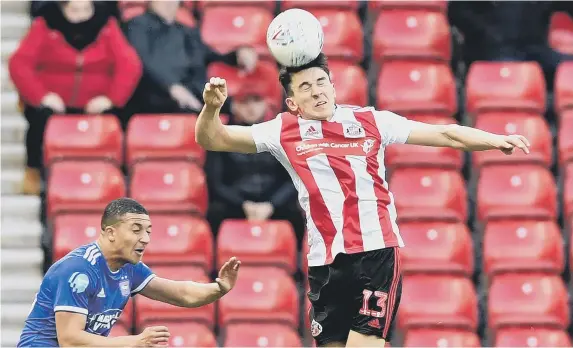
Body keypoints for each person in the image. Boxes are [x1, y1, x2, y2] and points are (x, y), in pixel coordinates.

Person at [194, 53, 530, 347]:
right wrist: (211, 108)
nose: (317, 91)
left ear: (333, 86)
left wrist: (495, 139)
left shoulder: (371, 121)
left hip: (376, 254)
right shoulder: (282, 131)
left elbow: (445, 133)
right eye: (306, 87)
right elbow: (213, 139)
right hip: (324, 262)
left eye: (321, 82)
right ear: (292, 102)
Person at [17, 198, 240, 347]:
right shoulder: (78, 271)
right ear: (110, 233)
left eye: (148, 231)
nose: (145, 238)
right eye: (136, 230)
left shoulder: (129, 269)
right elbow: (70, 340)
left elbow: (182, 294)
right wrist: (134, 342)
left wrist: (220, 287)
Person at [9, 0, 142, 195]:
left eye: (84, 8)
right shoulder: (45, 24)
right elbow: (19, 64)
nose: (79, 14)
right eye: (74, 9)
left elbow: (130, 65)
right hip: (55, 104)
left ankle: (113, 178)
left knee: (120, 117)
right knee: (39, 119)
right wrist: (42, 96)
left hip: (94, 104)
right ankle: (35, 173)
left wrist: (111, 98)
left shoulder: (107, 25)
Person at [205, 85, 305, 245]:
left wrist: (271, 204)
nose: (251, 108)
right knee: (215, 213)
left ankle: (297, 267)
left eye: (256, 102)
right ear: (235, 105)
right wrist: (243, 204)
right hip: (235, 203)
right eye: (245, 103)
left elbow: (293, 179)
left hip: (273, 202)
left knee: (296, 215)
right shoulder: (219, 136)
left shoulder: (281, 135)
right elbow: (216, 183)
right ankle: (216, 266)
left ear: (266, 103)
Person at [123, 0, 257, 116]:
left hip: (192, 99)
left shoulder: (186, 32)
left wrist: (238, 55)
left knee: (246, 113)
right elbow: (141, 61)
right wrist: (171, 87)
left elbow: (210, 55)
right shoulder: (137, 26)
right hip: (154, 99)